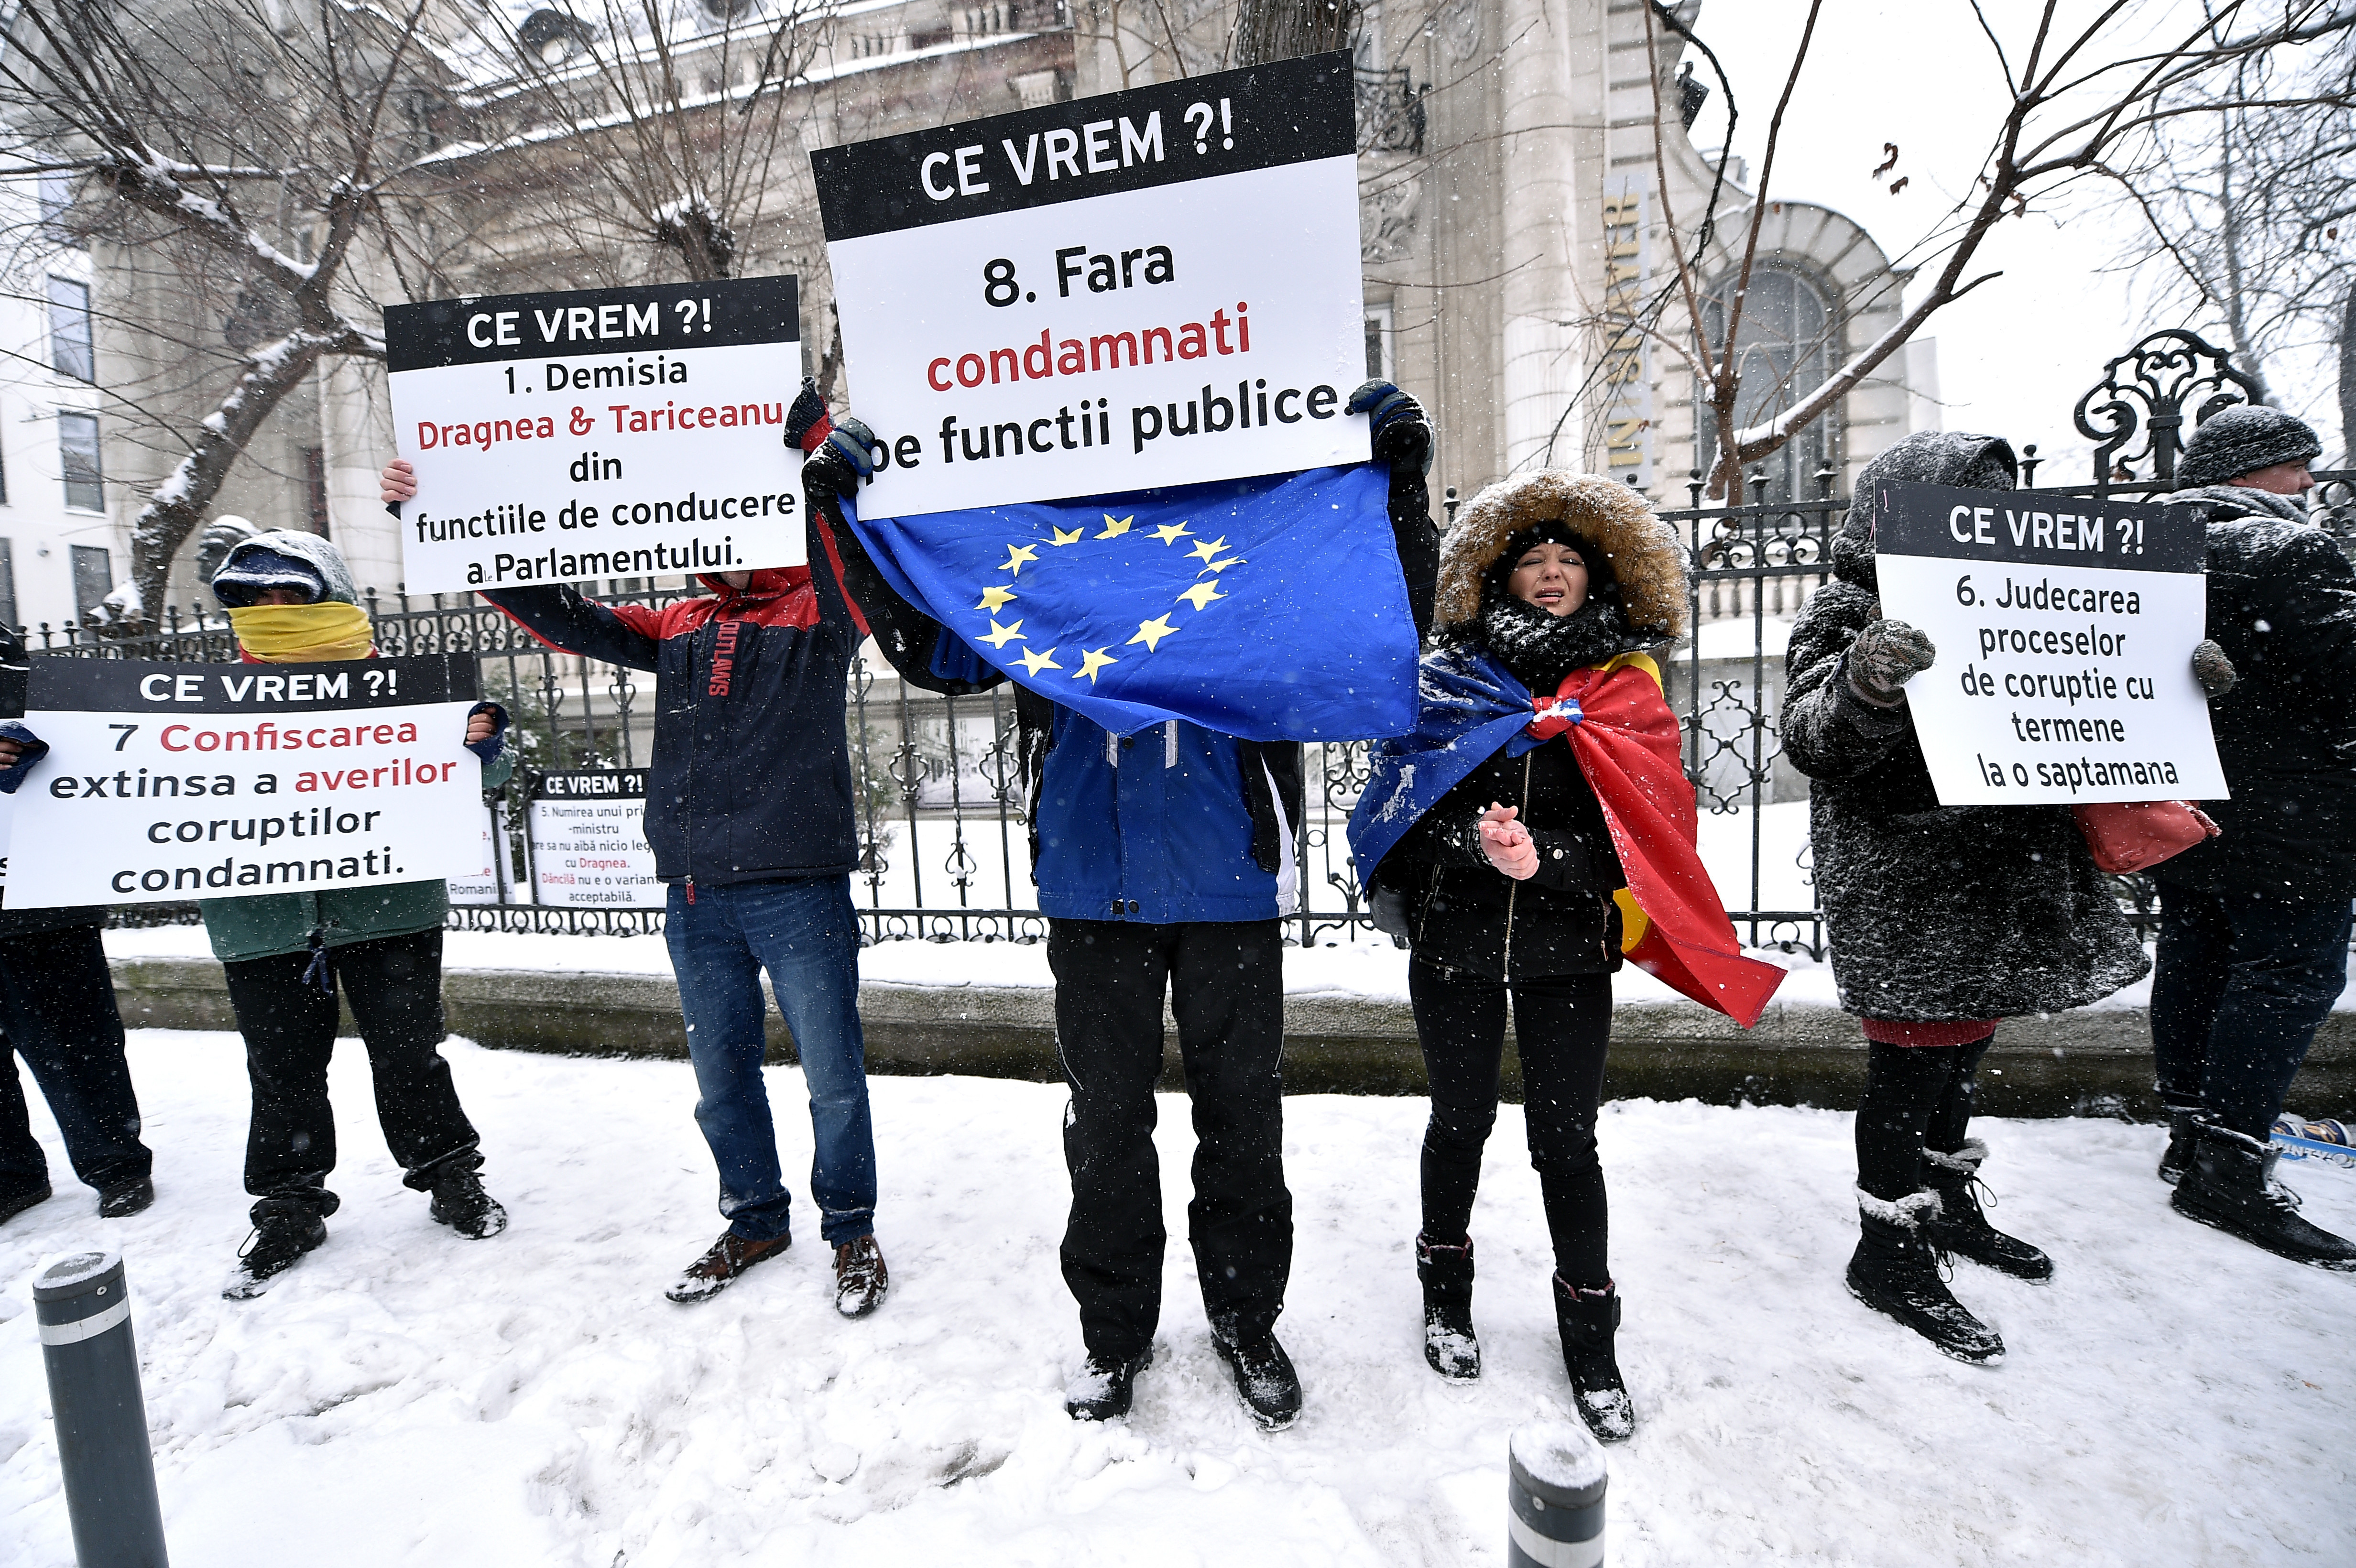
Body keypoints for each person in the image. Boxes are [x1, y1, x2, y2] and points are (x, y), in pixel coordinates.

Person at [380, 383, 978, 1318]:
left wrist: (815, 444)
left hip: (799, 889)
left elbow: (845, 547)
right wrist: (448, 525)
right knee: (720, 1080)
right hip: (697, 896)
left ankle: (850, 1228)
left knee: (833, 1079)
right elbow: (566, 616)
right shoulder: (679, 623)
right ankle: (754, 1219)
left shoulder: (822, 612)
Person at [1782, 432, 2171, 1361]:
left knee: (1962, 1055)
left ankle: (1945, 1201)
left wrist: (2174, 683)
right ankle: (1887, 1247)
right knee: (1910, 1067)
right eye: (1967, 502)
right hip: (1909, 883)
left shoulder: (2022, 598)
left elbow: (2087, 700)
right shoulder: (1849, 607)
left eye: (1998, 502)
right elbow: (1810, 735)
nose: (1985, 521)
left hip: (1999, 875)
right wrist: (1866, 680)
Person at [1348, 469, 1691, 1444]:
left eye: (1566, 559)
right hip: (1454, 947)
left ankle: (1591, 1335)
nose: (1549, 572)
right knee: (1457, 1123)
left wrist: (1547, 860)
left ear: (1595, 577)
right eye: (1531, 559)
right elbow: (1397, 814)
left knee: (1565, 1143)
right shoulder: (1450, 682)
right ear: (1498, 579)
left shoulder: (1624, 692)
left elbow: (1649, 838)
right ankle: (1444, 1296)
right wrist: (1472, 841)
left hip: (1567, 957)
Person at [2145, 406, 2356, 1269]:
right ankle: (2228, 1165)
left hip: (2183, 804)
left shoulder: (2147, 551)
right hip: (2292, 817)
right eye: (2293, 465)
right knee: (2288, 973)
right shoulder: (2288, 551)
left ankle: (2190, 1131)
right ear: (2245, 471)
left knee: (2194, 955)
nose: (2306, 482)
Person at [0, 627, 157, 1228]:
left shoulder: (36, 685)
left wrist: (27, 743)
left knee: (76, 1045)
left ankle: (115, 1165)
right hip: (37, 901)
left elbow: (95, 749)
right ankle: (12, 1176)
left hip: (39, 906)